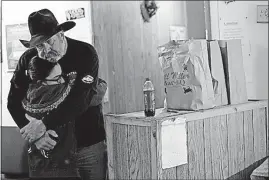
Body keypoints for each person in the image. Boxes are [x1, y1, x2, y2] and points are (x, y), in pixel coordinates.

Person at [7, 9, 107, 180]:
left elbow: (80, 99)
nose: (45, 51)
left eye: (49, 42)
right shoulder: (27, 59)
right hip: (50, 148)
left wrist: (44, 124)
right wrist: (36, 136)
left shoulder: (85, 53)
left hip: (88, 144)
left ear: (61, 35)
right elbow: (13, 102)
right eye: (39, 45)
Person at [23, 56, 107, 179]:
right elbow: (94, 94)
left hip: (90, 146)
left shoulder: (72, 75)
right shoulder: (44, 87)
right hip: (60, 153)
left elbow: (98, 92)